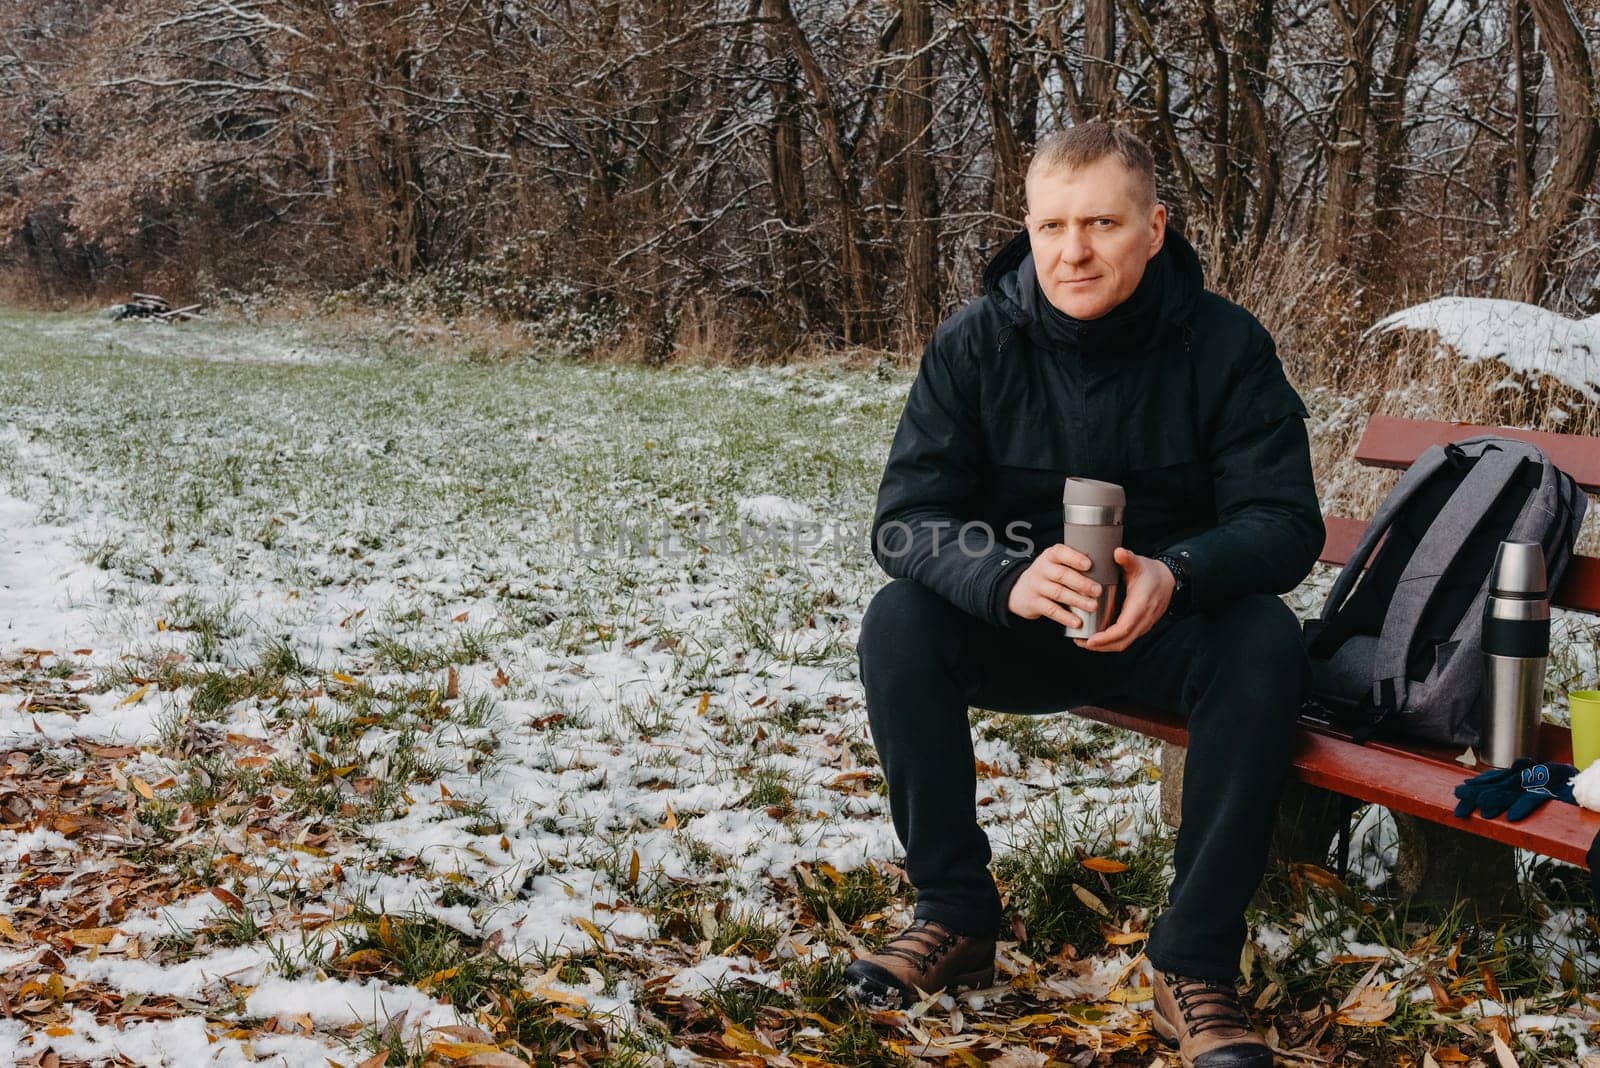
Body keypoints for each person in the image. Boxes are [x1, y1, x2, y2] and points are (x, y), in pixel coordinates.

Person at [846, 122, 1323, 1068]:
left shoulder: (1226, 346)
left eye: (1102, 223)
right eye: (1052, 225)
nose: (1073, 251)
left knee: (1264, 638)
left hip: (1166, 632)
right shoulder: (974, 343)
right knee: (896, 621)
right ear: (1025, 227)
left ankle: (1192, 965)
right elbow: (905, 519)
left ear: (1154, 226)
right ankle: (954, 912)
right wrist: (1004, 578)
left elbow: (1284, 524)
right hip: (1018, 627)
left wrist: (1178, 573)